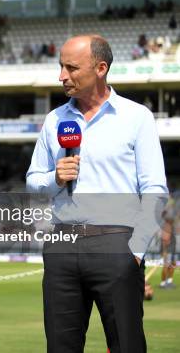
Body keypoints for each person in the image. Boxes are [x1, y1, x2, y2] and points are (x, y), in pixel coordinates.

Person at [26, 34, 168, 353]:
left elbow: (155, 189)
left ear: (100, 68)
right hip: (62, 244)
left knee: (126, 345)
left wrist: (136, 250)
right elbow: (33, 182)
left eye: (72, 68)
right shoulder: (53, 121)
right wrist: (55, 178)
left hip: (118, 244)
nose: (62, 75)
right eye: (61, 66)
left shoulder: (136, 117)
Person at [160, 189, 178, 289]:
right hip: (166, 236)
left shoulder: (173, 210)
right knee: (166, 262)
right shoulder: (165, 214)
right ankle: (163, 282)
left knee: (173, 262)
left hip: (172, 236)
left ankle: (169, 281)